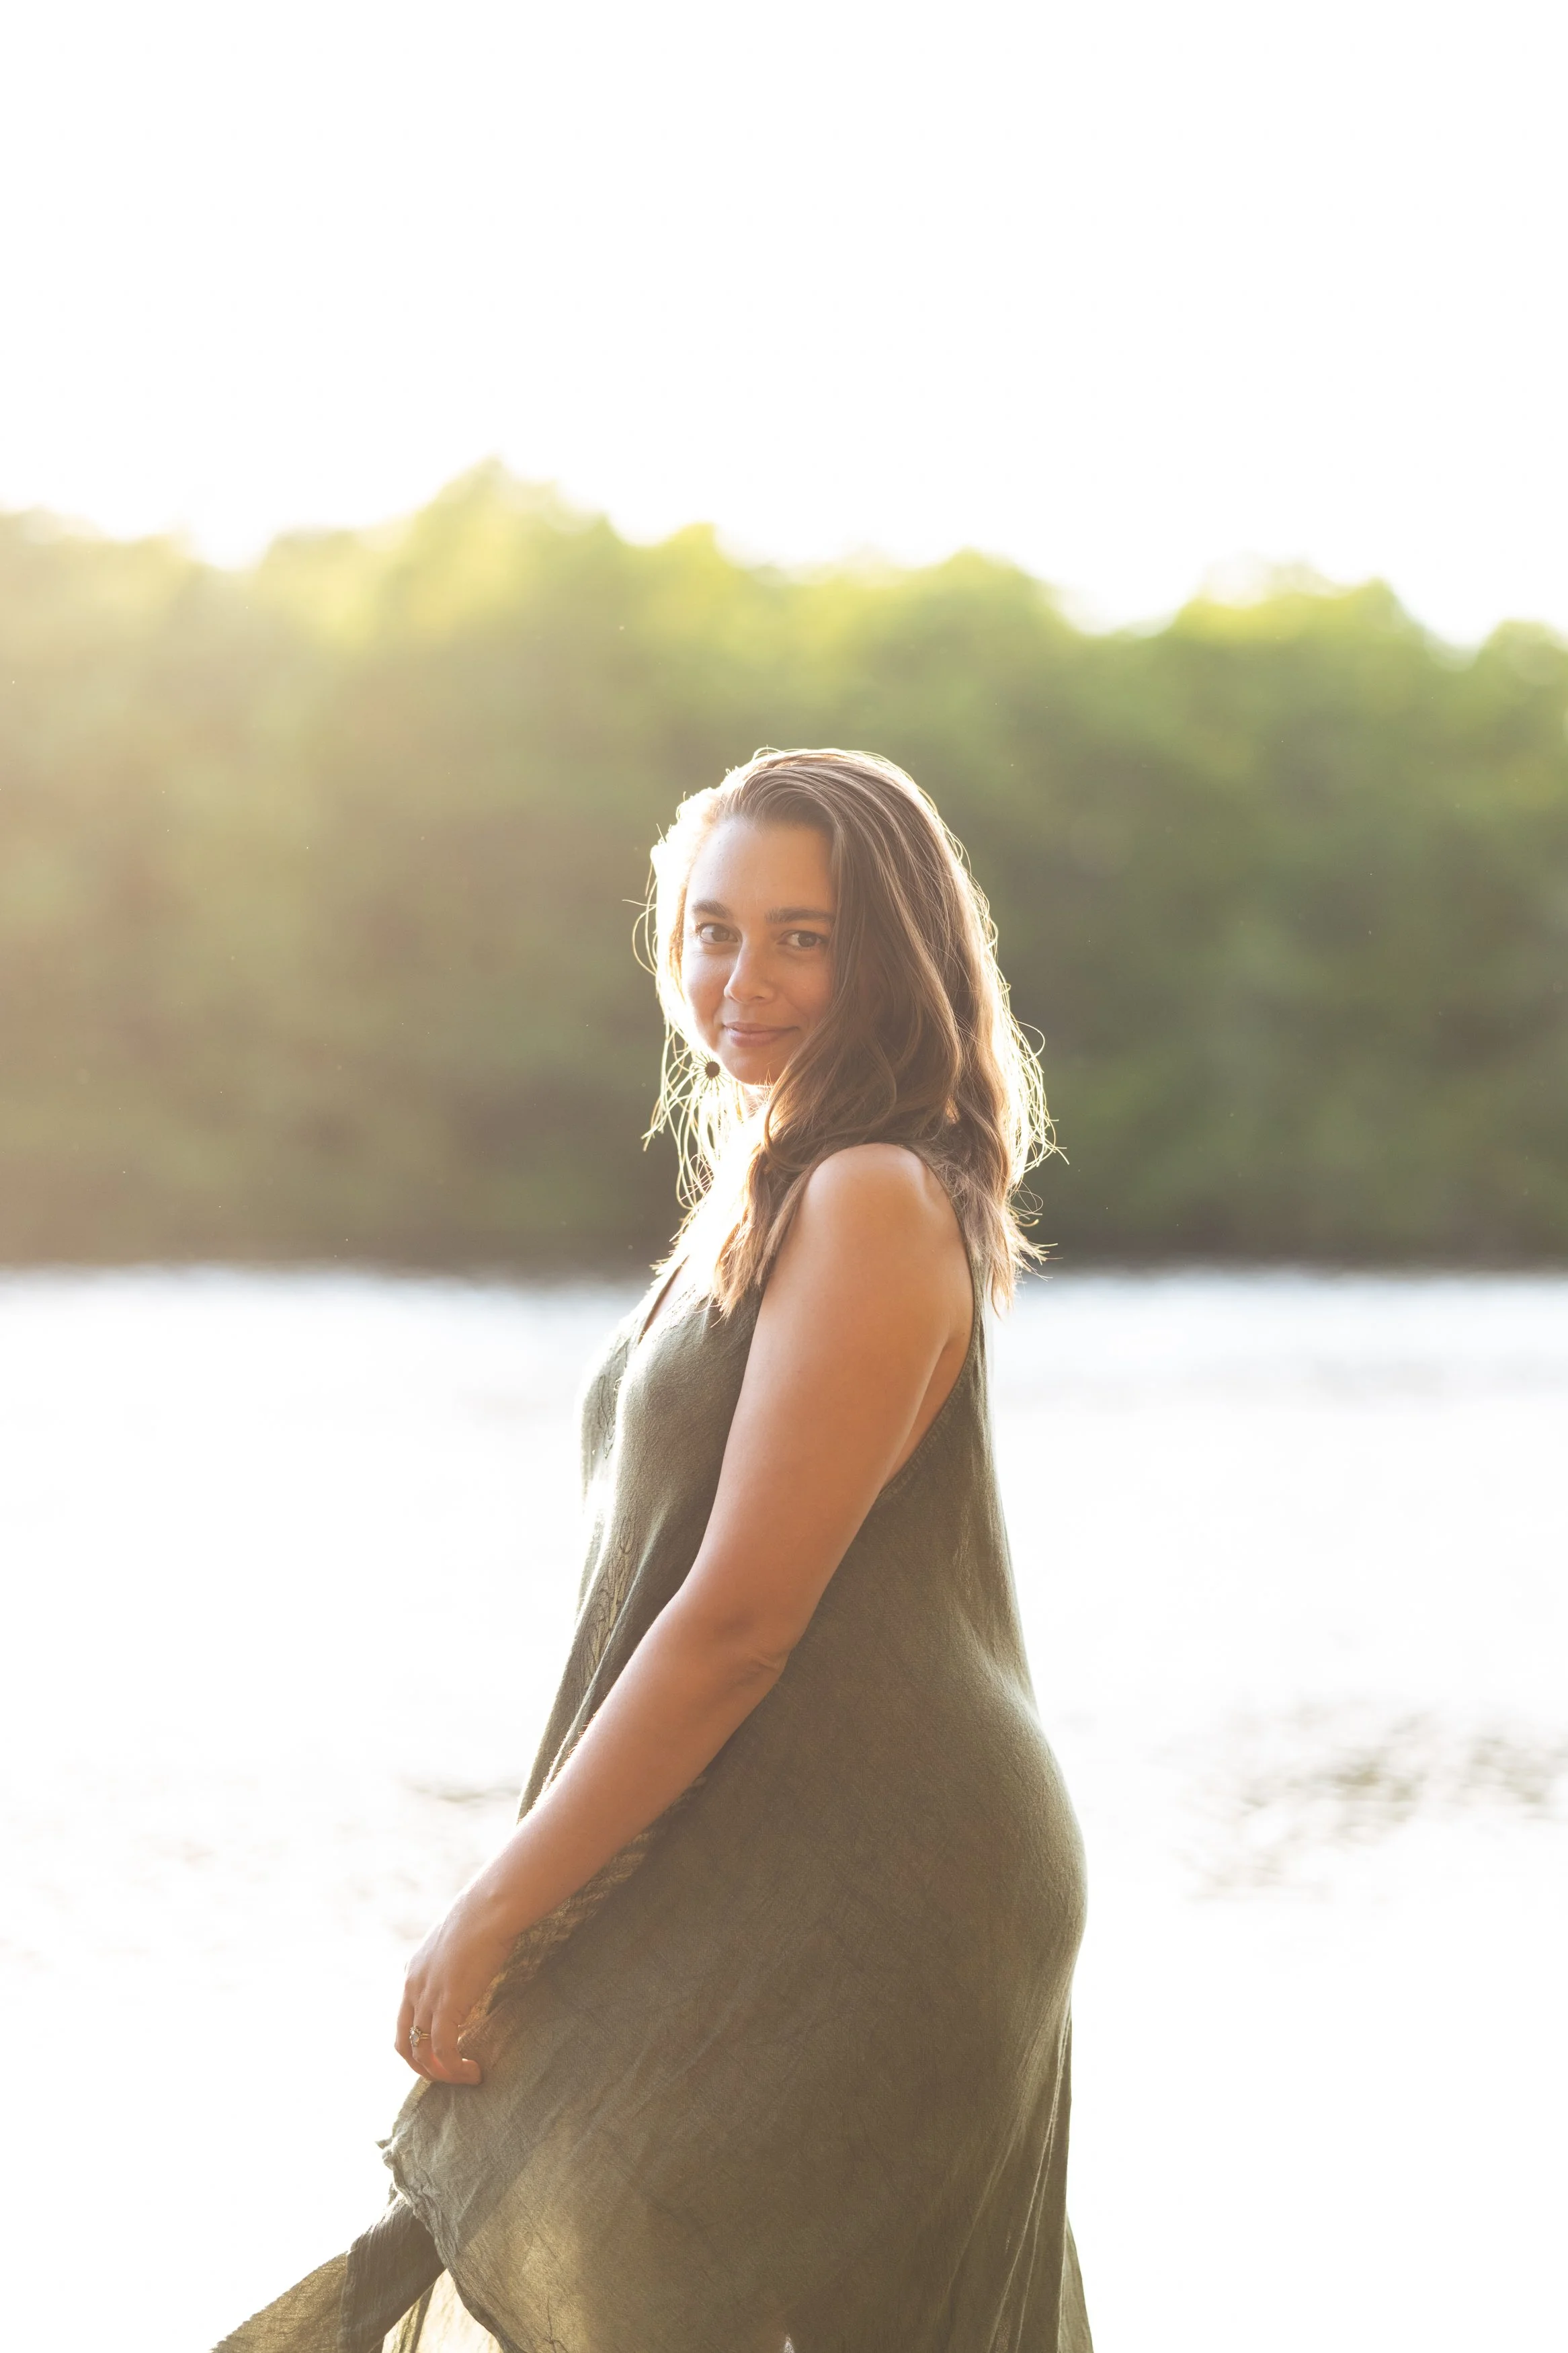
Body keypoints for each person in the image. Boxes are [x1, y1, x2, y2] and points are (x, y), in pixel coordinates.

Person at [220, 748, 1091, 2353]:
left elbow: (737, 1622)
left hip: (876, 1874)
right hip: (747, 1833)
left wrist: (493, 1908)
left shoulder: (878, 1195)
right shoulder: (763, 1190)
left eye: (801, 936)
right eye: (709, 928)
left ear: (891, 957)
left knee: (636, 2255)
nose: (739, 975)